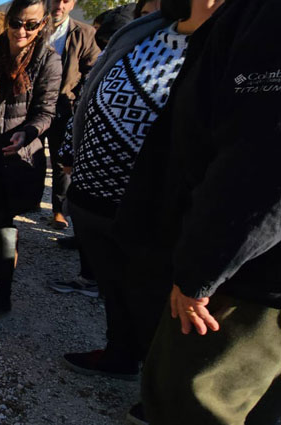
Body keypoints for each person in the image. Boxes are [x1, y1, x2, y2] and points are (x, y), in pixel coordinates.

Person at [118, 1, 281, 423]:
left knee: (195, 403)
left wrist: (198, 273)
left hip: (242, 283)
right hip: (235, 265)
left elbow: (261, 163)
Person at [58, 0, 201, 385]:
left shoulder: (227, 41)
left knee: (151, 297)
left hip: (150, 204)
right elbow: (93, 90)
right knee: (114, 287)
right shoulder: (146, 31)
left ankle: (159, 389)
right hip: (93, 192)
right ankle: (119, 353)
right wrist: (71, 151)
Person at [0, 0, 61, 314]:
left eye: (31, 25)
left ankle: (2, 293)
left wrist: (28, 134)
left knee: (2, 219)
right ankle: (0, 264)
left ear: (43, 24)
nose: (22, 31)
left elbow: (46, 113)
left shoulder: (48, 59)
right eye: (17, 23)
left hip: (20, 155)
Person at [44, 0, 100, 230]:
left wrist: (75, 101)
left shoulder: (85, 33)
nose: (58, 4)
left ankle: (59, 209)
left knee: (60, 160)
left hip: (64, 106)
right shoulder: (32, 28)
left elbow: (92, 71)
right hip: (32, 105)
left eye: (65, 0)